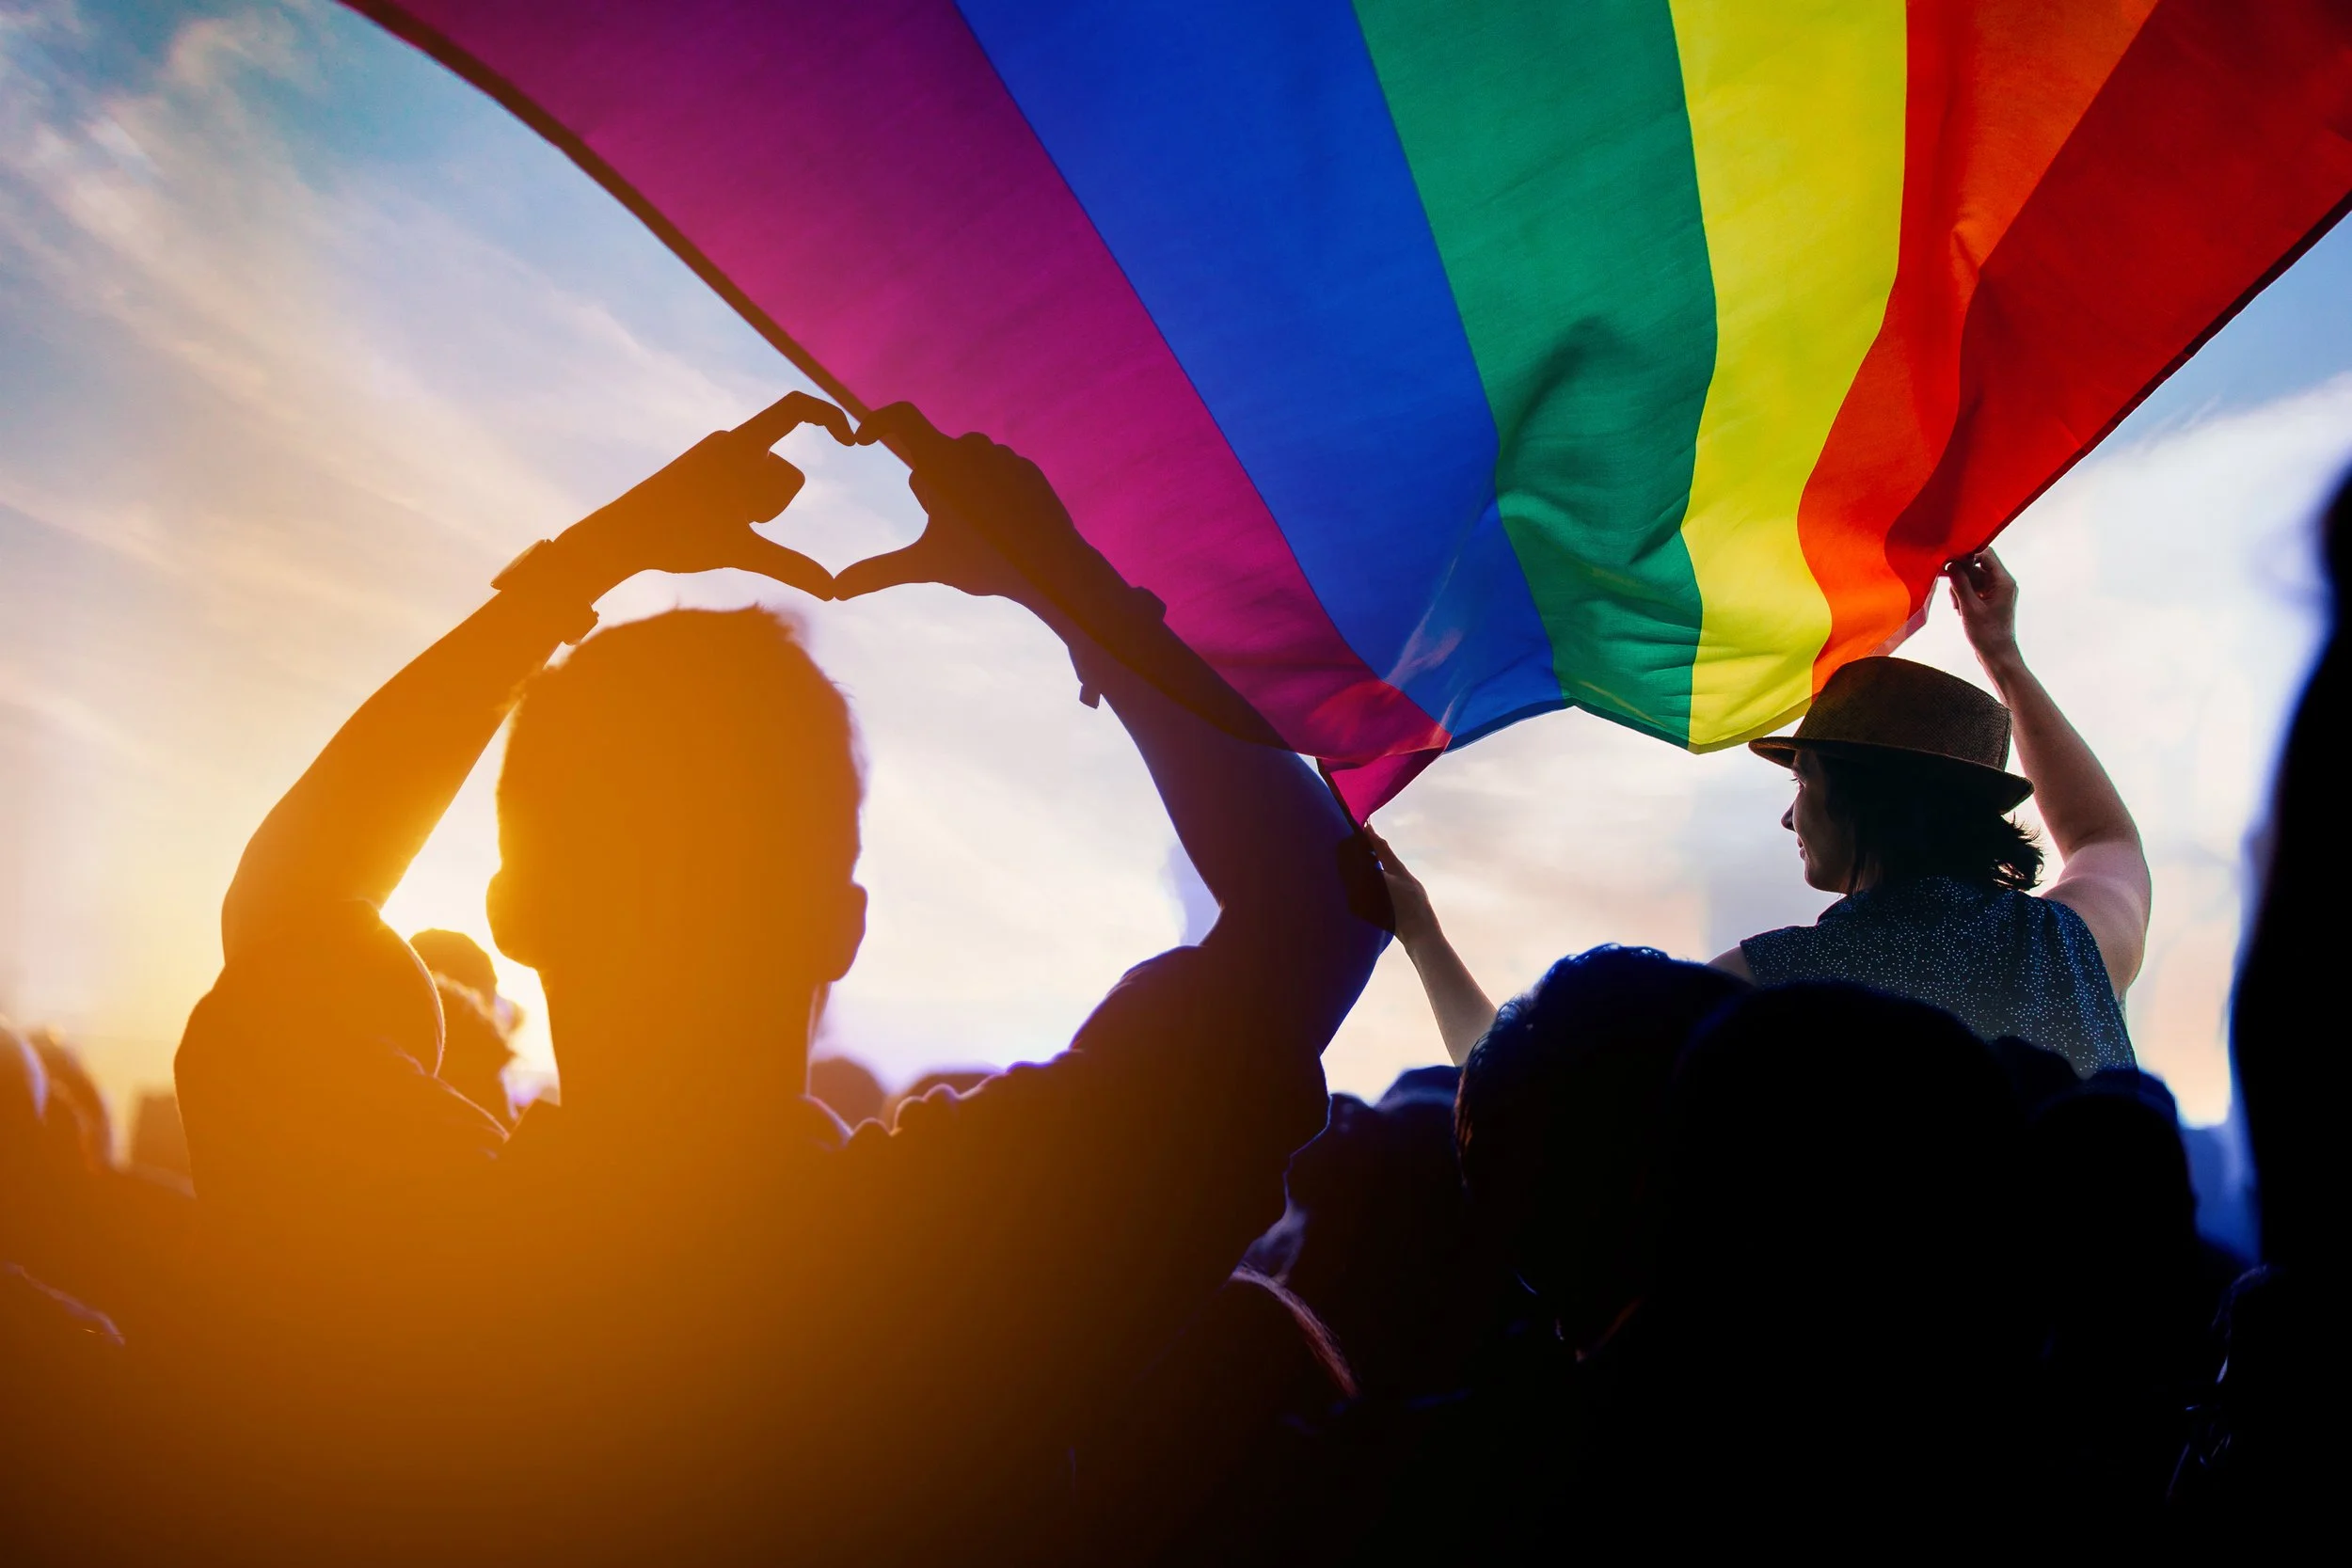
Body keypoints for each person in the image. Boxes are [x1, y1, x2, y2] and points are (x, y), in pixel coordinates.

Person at [170, 393, 1386, 1561]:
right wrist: (1069, 585)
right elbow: (1320, 908)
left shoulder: (409, 1237)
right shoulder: (970, 1255)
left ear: (515, 910)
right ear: (840, 925)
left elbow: (285, 909)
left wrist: (575, 574)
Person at [1374, 551, 2145, 1078]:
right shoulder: (2071, 945)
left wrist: (1420, 933)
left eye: (1803, 782)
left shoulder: (1771, 987)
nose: (1788, 817)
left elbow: (1511, 1076)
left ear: (1861, 800)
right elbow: (2104, 837)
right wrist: (2002, 655)